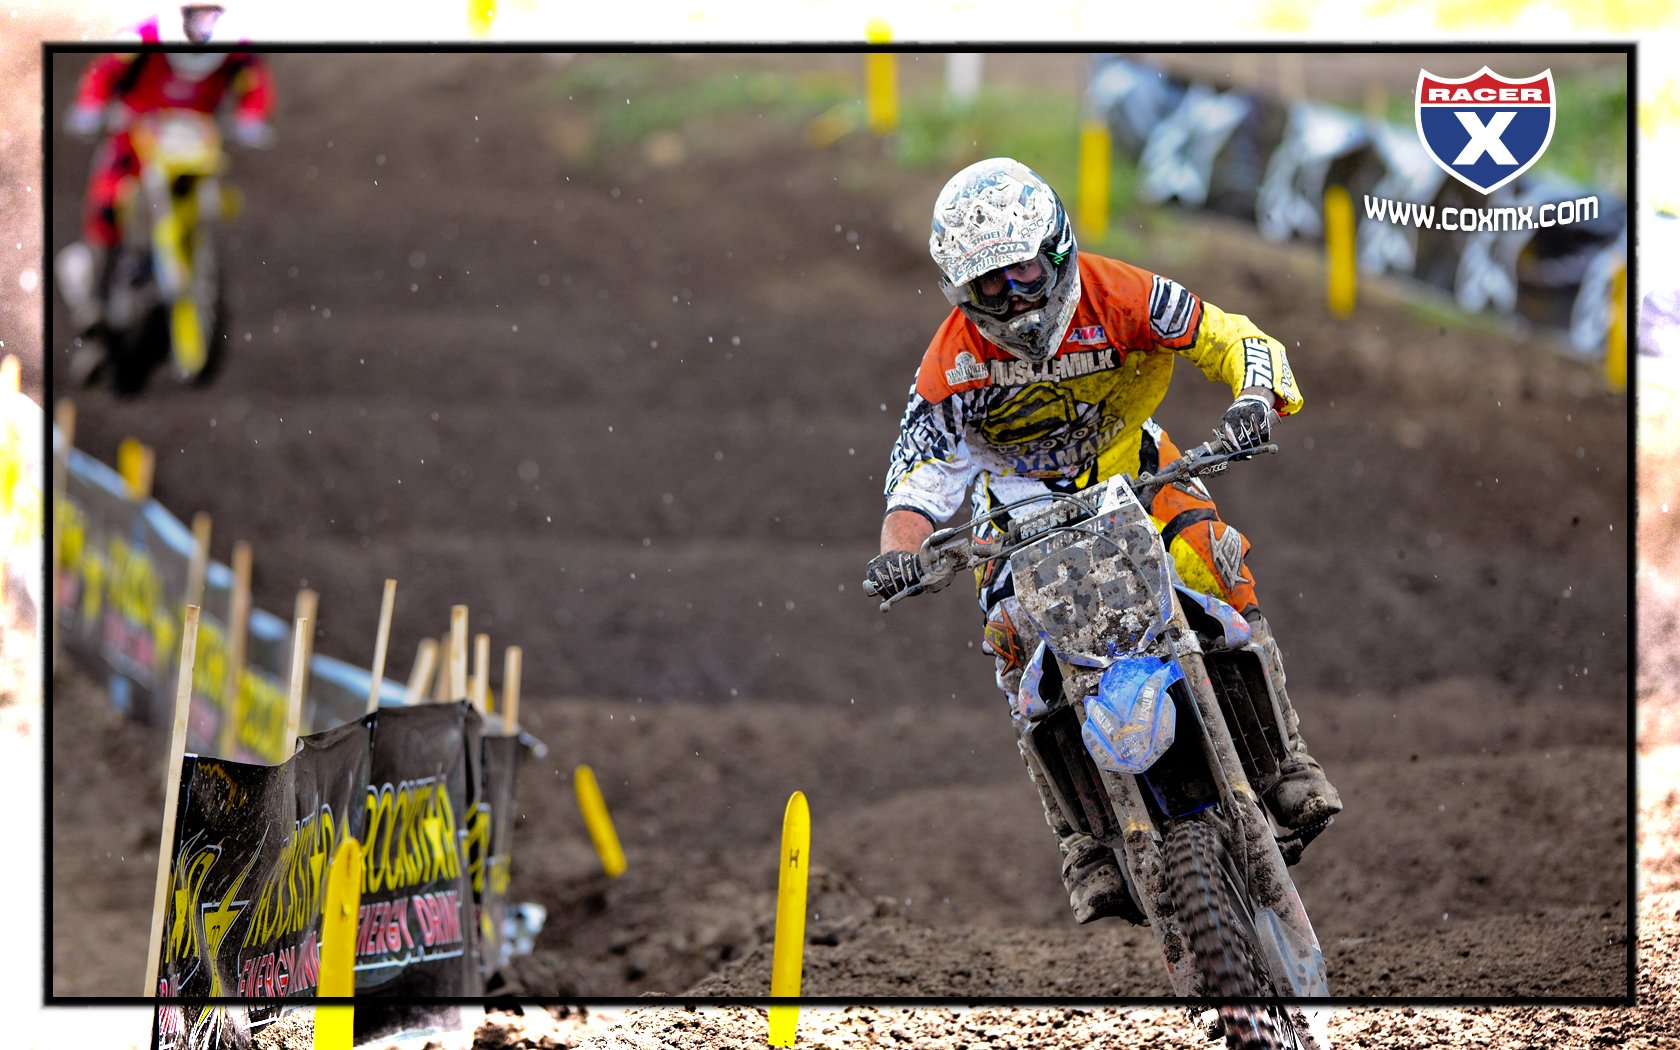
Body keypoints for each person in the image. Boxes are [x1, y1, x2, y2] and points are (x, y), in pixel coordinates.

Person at [864, 157, 1342, 925]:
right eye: (990, 285)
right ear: (961, 290)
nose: (1013, 298)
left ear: (1056, 249)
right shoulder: (950, 360)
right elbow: (917, 476)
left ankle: (1287, 757)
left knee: (1213, 559)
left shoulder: (1123, 293)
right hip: (1016, 513)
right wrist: (901, 552)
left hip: (1135, 469)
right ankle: (1081, 841)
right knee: (1011, 637)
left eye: (1023, 271)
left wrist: (1254, 399)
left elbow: (1229, 337)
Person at [56, 4, 274, 381]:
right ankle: (94, 308)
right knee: (108, 207)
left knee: (210, 197)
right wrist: (91, 107)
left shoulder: (236, 48)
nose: (204, 23)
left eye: (211, 14)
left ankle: (180, 286)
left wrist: (251, 118)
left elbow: (254, 83)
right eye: (198, 13)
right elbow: (105, 71)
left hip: (191, 149)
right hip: (135, 143)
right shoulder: (145, 37)